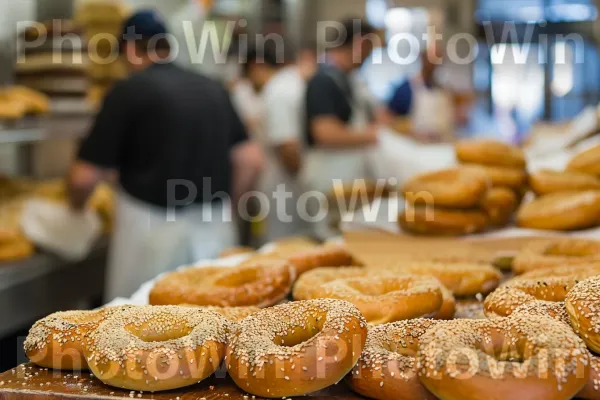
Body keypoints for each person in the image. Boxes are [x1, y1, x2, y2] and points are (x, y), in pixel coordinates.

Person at [67, 10, 264, 301]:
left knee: (140, 330)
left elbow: (84, 177)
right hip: (214, 231)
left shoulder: (127, 91)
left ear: (131, 49)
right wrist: (225, 209)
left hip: (149, 238)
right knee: (212, 328)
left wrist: (75, 211)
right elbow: (251, 159)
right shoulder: (213, 88)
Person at [302, 19, 379, 239]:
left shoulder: (349, 80)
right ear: (359, 43)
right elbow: (324, 132)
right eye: (369, 48)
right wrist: (372, 136)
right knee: (330, 240)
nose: (370, 56)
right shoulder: (323, 81)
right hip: (328, 178)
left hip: (347, 178)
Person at [241, 42, 317, 244]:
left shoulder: (278, 92)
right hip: (294, 187)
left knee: (281, 248)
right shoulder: (292, 84)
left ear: (256, 66)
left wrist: (304, 180)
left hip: (285, 189)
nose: (249, 83)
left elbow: (287, 146)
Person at [387, 47, 462, 141]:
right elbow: (389, 117)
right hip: (413, 146)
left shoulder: (445, 91)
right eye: (431, 59)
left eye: (437, 60)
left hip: (441, 145)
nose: (433, 64)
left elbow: (450, 120)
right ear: (422, 58)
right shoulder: (406, 88)